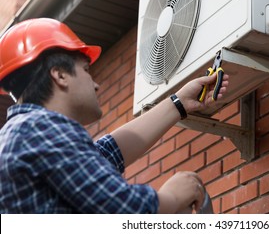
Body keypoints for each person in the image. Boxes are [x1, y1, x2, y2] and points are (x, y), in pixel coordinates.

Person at [0, 18, 229, 214]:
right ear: (60, 75)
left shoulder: (26, 133)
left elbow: (105, 154)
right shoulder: (42, 129)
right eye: (87, 70)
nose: (96, 84)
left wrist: (179, 103)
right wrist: (173, 195)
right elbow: (124, 209)